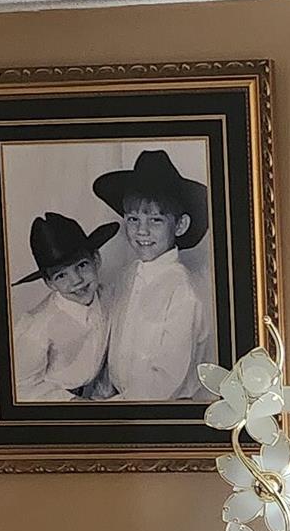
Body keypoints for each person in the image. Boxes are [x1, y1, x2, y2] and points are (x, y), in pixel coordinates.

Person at [90, 150, 219, 401]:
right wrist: (105, 389)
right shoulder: (127, 277)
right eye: (133, 218)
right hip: (123, 401)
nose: (142, 231)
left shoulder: (184, 291)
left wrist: (111, 410)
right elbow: (115, 343)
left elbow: (165, 381)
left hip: (166, 411)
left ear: (180, 225)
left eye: (156, 220)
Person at [10, 211, 119, 403]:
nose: (76, 280)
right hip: (54, 403)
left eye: (82, 265)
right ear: (49, 283)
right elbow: (20, 386)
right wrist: (69, 402)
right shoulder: (36, 327)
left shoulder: (109, 297)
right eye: (61, 276)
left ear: (97, 260)